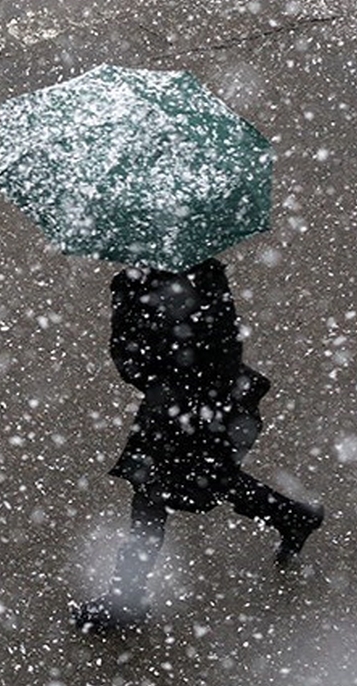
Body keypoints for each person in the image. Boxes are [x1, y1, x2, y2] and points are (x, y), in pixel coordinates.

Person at [74, 257, 324, 631]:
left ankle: (126, 598)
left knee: (153, 493)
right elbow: (227, 348)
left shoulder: (135, 284)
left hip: (178, 409)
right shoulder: (205, 274)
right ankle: (291, 516)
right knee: (204, 477)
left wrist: (169, 370)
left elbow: (129, 362)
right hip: (209, 403)